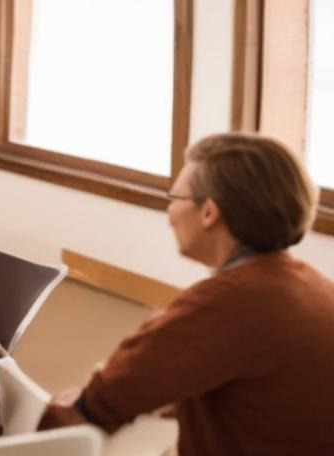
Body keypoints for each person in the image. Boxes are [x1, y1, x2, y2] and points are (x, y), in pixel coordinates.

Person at [39, 133, 334, 453]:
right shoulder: (314, 287)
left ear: (209, 212)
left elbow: (99, 401)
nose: (170, 214)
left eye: (174, 198)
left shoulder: (225, 303)